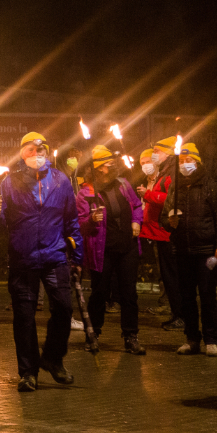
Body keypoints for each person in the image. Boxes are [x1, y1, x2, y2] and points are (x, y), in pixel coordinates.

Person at [0, 132, 83, 392]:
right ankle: (28, 372)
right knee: (24, 316)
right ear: (22, 154)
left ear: (46, 151)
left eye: (40, 150)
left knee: (64, 308)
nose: (36, 155)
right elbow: (1, 225)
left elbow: (72, 220)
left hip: (54, 256)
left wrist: (77, 256)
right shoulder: (9, 183)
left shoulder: (61, 181)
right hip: (23, 259)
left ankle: (53, 359)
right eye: (30, 151)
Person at [160, 143, 217, 359]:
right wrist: (169, 222)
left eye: (188, 161)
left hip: (207, 253)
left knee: (207, 295)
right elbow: (163, 219)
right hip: (182, 251)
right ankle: (191, 339)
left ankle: (211, 340)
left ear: (198, 162)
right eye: (180, 161)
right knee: (186, 297)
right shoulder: (175, 188)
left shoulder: (211, 186)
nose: (184, 165)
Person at [79, 145, 145, 355]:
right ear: (97, 168)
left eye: (111, 162)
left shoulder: (123, 184)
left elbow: (136, 206)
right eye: (107, 163)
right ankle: (93, 334)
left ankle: (130, 336)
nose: (111, 165)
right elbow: (78, 222)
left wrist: (136, 222)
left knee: (128, 293)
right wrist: (90, 219)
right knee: (99, 292)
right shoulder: (85, 193)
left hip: (127, 246)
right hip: (102, 250)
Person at [147, 137, 184, 330]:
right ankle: (176, 313)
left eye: (157, 150)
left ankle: (180, 315)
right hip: (160, 230)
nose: (154, 154)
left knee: (173, 275)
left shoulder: (173, 172)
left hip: (168, 231)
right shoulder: (165, 171)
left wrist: (148, 193)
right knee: (168, 275)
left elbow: (169, 198)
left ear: (168, 153)